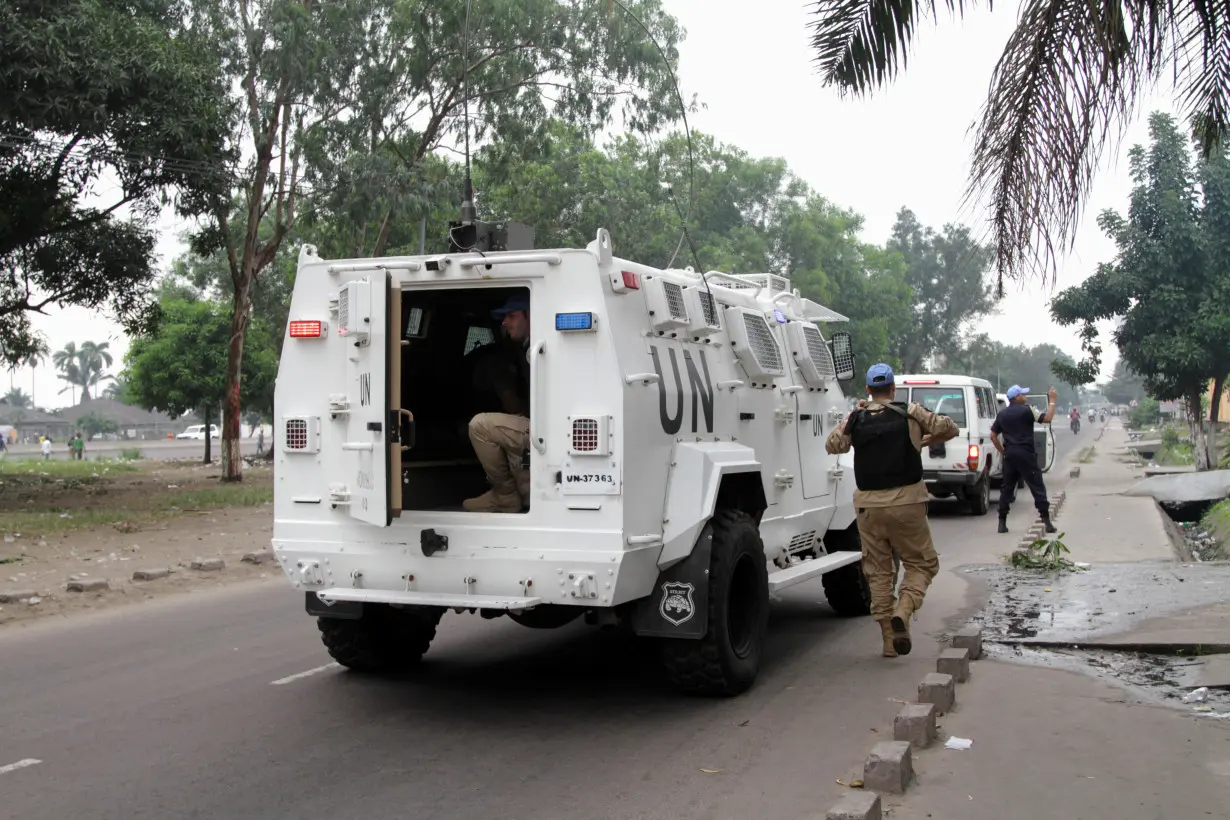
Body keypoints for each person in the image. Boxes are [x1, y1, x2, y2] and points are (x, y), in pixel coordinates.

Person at [825, 363, 959, 658]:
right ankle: (905, 608)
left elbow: (833, 445)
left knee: (879, 572)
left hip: (868, 509)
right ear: (893, 389)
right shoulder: (910, 412)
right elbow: (950, 428)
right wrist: (927, 438)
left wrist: (853, 415)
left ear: (868, 390)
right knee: (923, 564)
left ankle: (888, 639)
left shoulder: (857, 417)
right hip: (908, 503)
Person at [463, 294, 532, 513]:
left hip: (551, 430)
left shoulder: (536, 350)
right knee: (511, 426)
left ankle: (506, 496)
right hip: (545, 426)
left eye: (512, 316)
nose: (504, 322)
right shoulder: (527, 350)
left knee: (480, 426)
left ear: (530, 316)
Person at [991, 384, 1058, 535]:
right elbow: (1047, 418)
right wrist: (1052, 401)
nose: (1025, 396)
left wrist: (1003, 451)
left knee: (1007, 488)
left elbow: (993, 436)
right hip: (1026, 454)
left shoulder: (1002, 415)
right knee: (1037, 487)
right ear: (1016, 398)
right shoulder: (1028, 410)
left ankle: (1002, 523)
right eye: (1022, 394)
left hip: (1010, 455)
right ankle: (1047, 522)